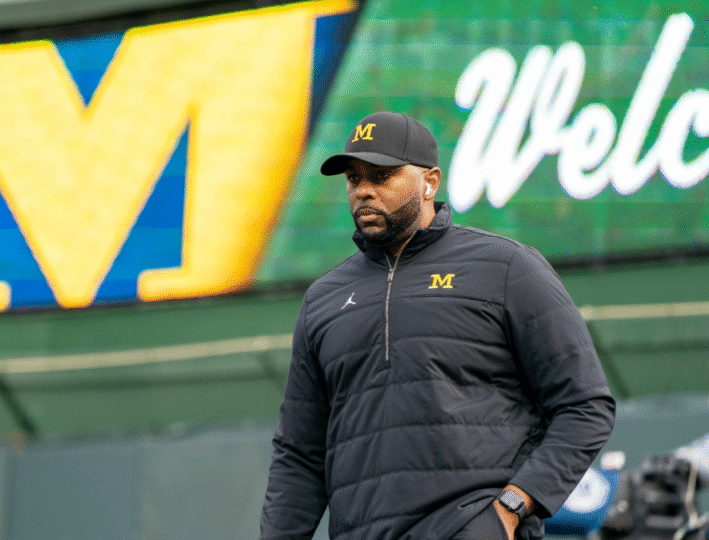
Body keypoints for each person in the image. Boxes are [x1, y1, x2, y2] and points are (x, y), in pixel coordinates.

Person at [259, 111, 616, 540]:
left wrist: (511, 507)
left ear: (430, 181)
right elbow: (300, 454)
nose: (364, 191)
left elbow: (585, 405)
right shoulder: (324, 298)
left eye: (382, 175)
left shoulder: (505, 268)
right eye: (354, 179)